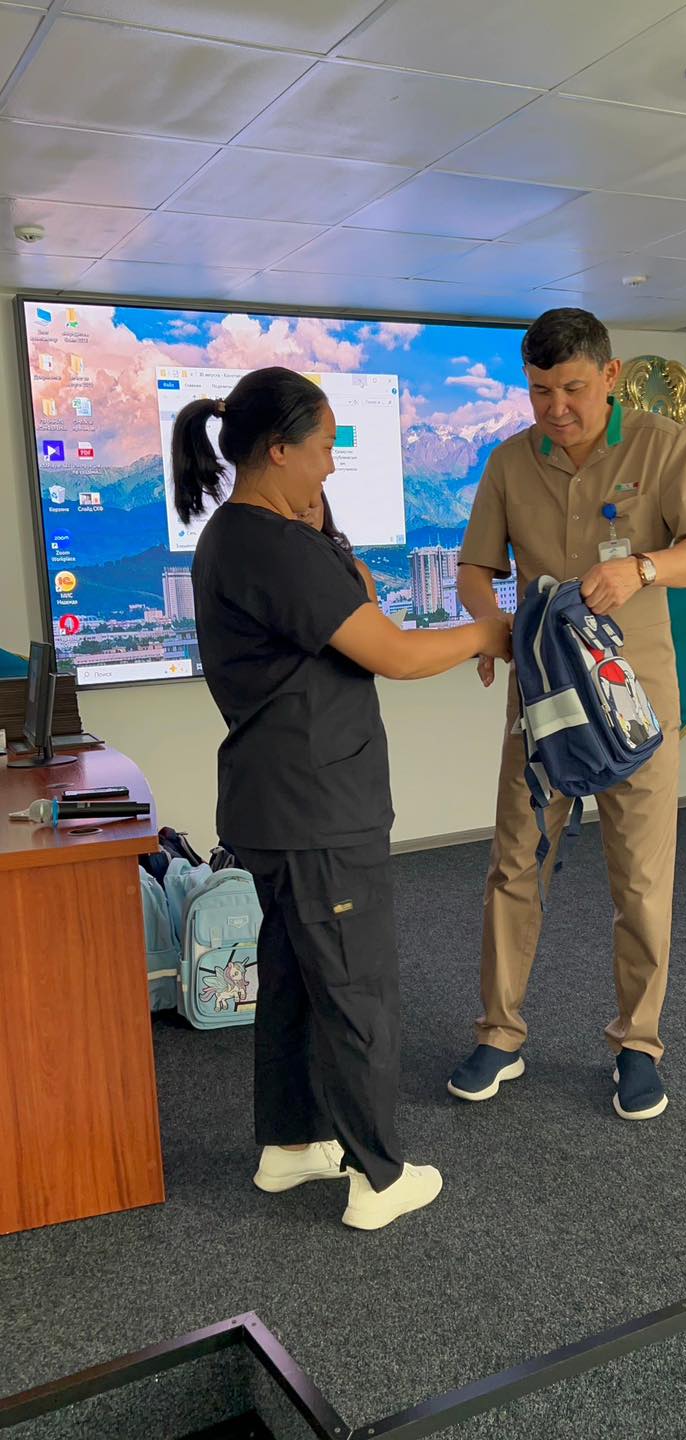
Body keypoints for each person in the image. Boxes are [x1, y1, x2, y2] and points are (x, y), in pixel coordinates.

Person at [171, 366, 511, 1230]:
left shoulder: (239, 536)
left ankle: (292, 1144)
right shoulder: (275, 548)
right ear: (278, 450)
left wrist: (323, 533)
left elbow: (355, 589)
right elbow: (393, 652)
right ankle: (378, 1177)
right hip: (319, 806)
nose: (330, 465)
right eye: (323, 448)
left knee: (293, 978)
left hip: (277, 802)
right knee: (358, 989)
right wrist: (489, 631)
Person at [447, 308, 686, 1120]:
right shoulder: (509, 461)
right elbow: (474, 568)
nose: (556, 408)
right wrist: (491, 629)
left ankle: (638, 1045)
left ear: (609, 376)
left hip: (637, 702)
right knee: (515, 864)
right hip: (544, 702)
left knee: (640, 877)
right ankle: (500, 1035)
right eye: (540, 391)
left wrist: (642, 568)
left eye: (572, 389)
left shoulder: (662, 447)